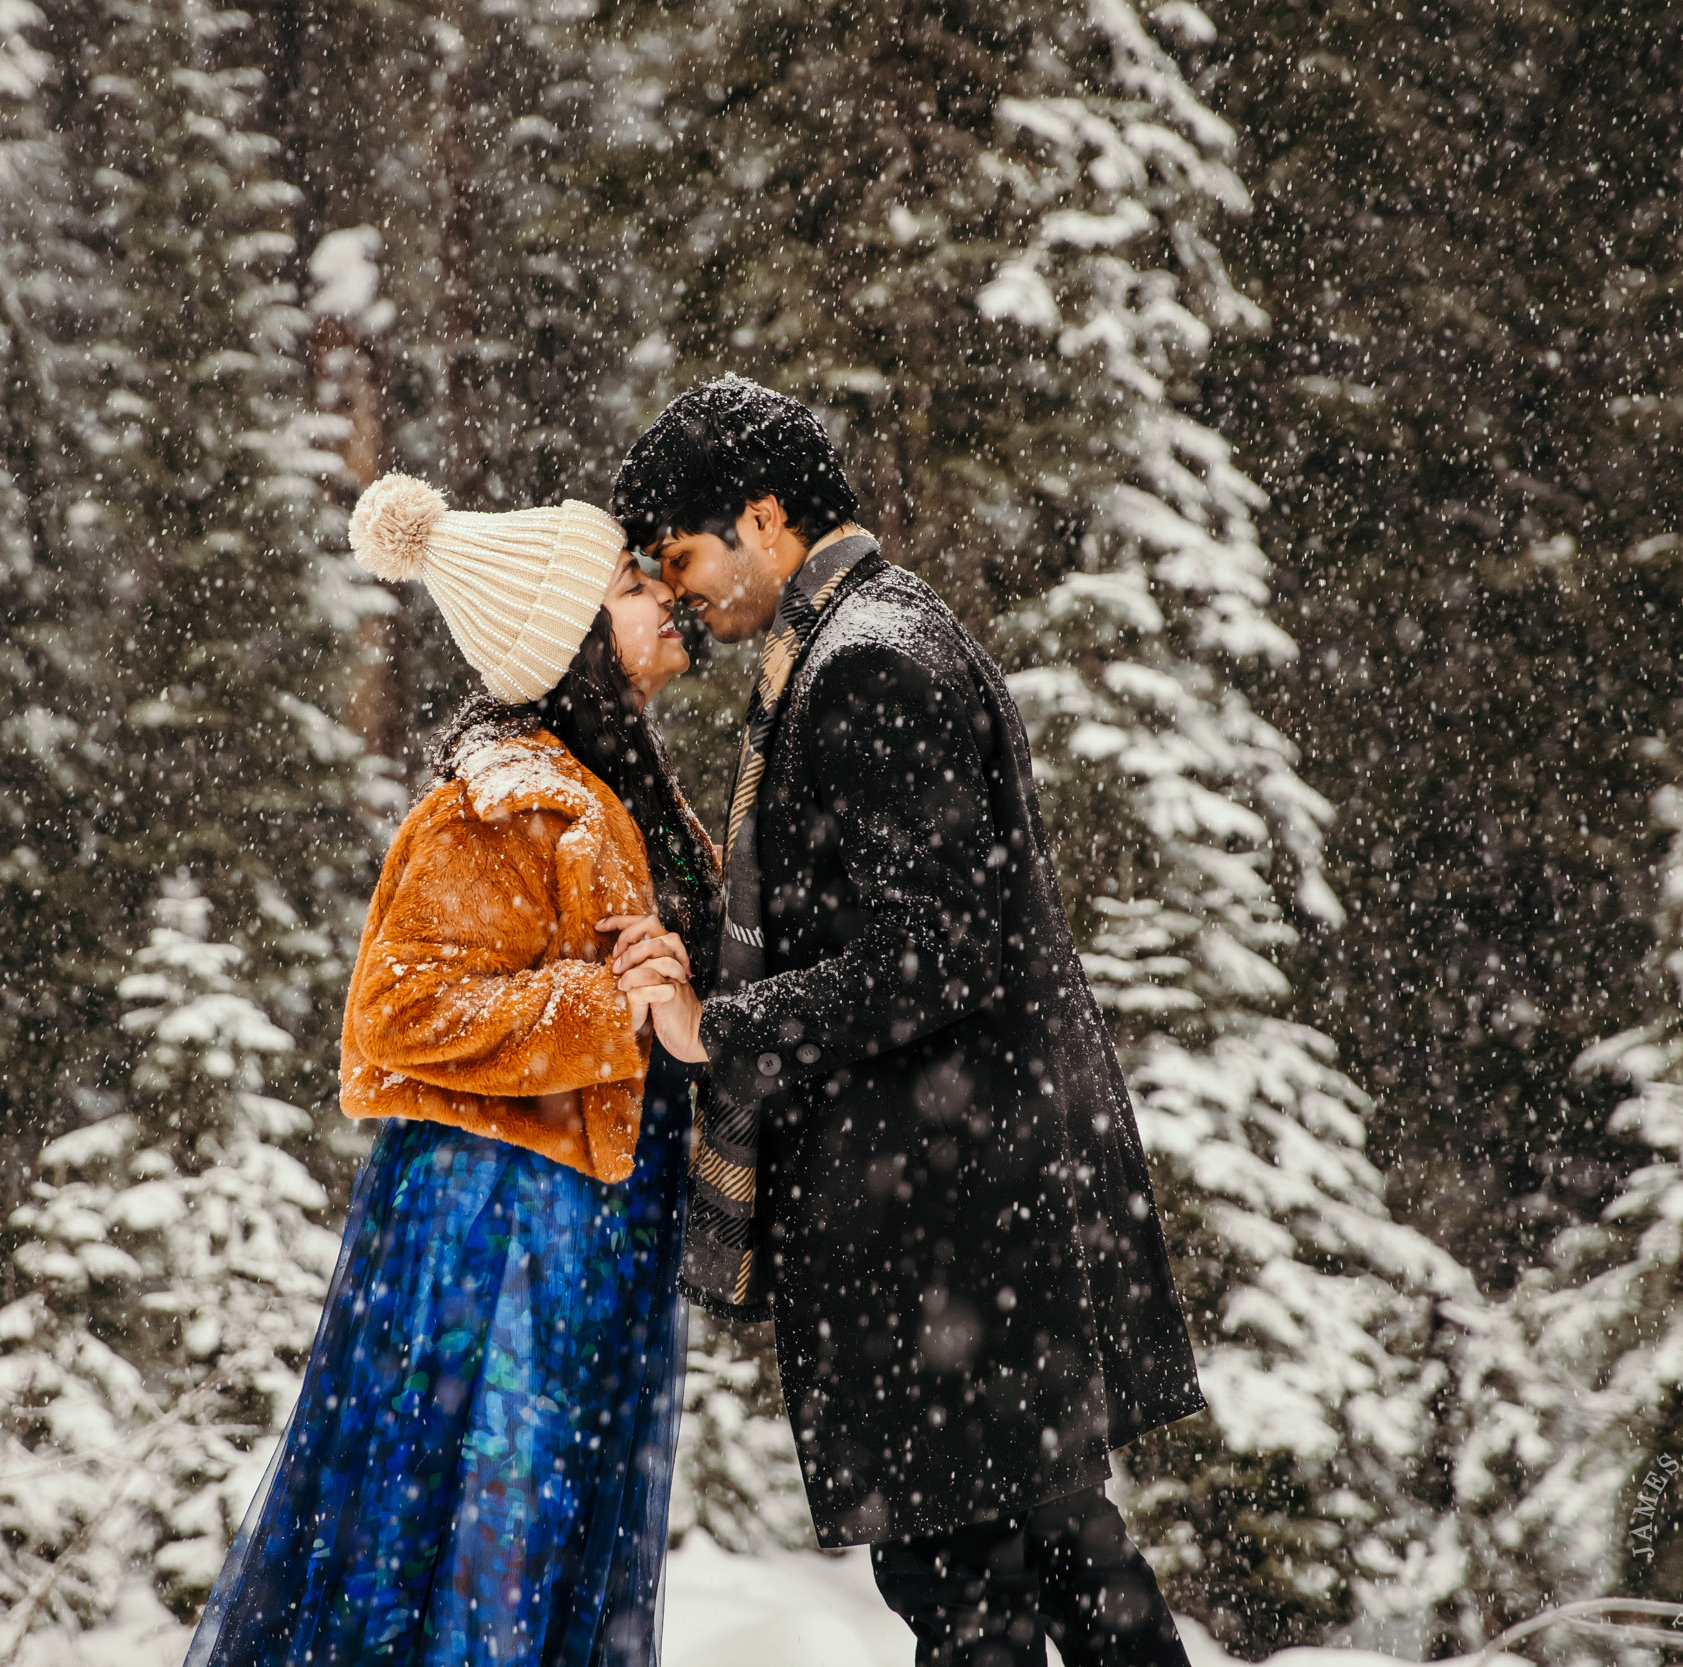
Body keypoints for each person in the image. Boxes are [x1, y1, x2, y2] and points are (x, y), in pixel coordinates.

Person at [605, 375, 1209, 1667]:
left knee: (970, 1592)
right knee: (1065, 1564)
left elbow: (934, 953)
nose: (685, 594)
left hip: (944, 1221)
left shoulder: (868, 658)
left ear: (764, 517)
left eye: (685, 554)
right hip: (973, 1213)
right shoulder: (863, 639)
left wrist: (722, 1021)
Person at [181, 473, 718, 1667]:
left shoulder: (619, 791)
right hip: (485, 1243)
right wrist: (602, 1003)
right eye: (633, 584)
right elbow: (391, 1017)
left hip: (585, 1231)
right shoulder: (496, 804)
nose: (663, 599)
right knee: (482, 1546)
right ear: (572, 636)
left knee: (542, 1546)